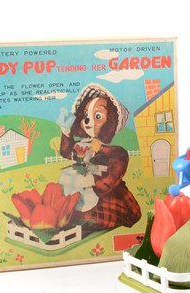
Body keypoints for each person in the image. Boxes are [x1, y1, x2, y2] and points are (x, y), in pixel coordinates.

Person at [58, 83, 141, 233]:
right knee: (71, 211)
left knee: (91, 218)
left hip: (105, 196)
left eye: (97, 116)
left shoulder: (116, 152)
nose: (88, 121)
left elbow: (112, 176)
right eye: (86, 116)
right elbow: (66, 152)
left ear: (111, 122)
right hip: (80, 191)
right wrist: (66, 133)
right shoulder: (82, 145)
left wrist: (93, 181)